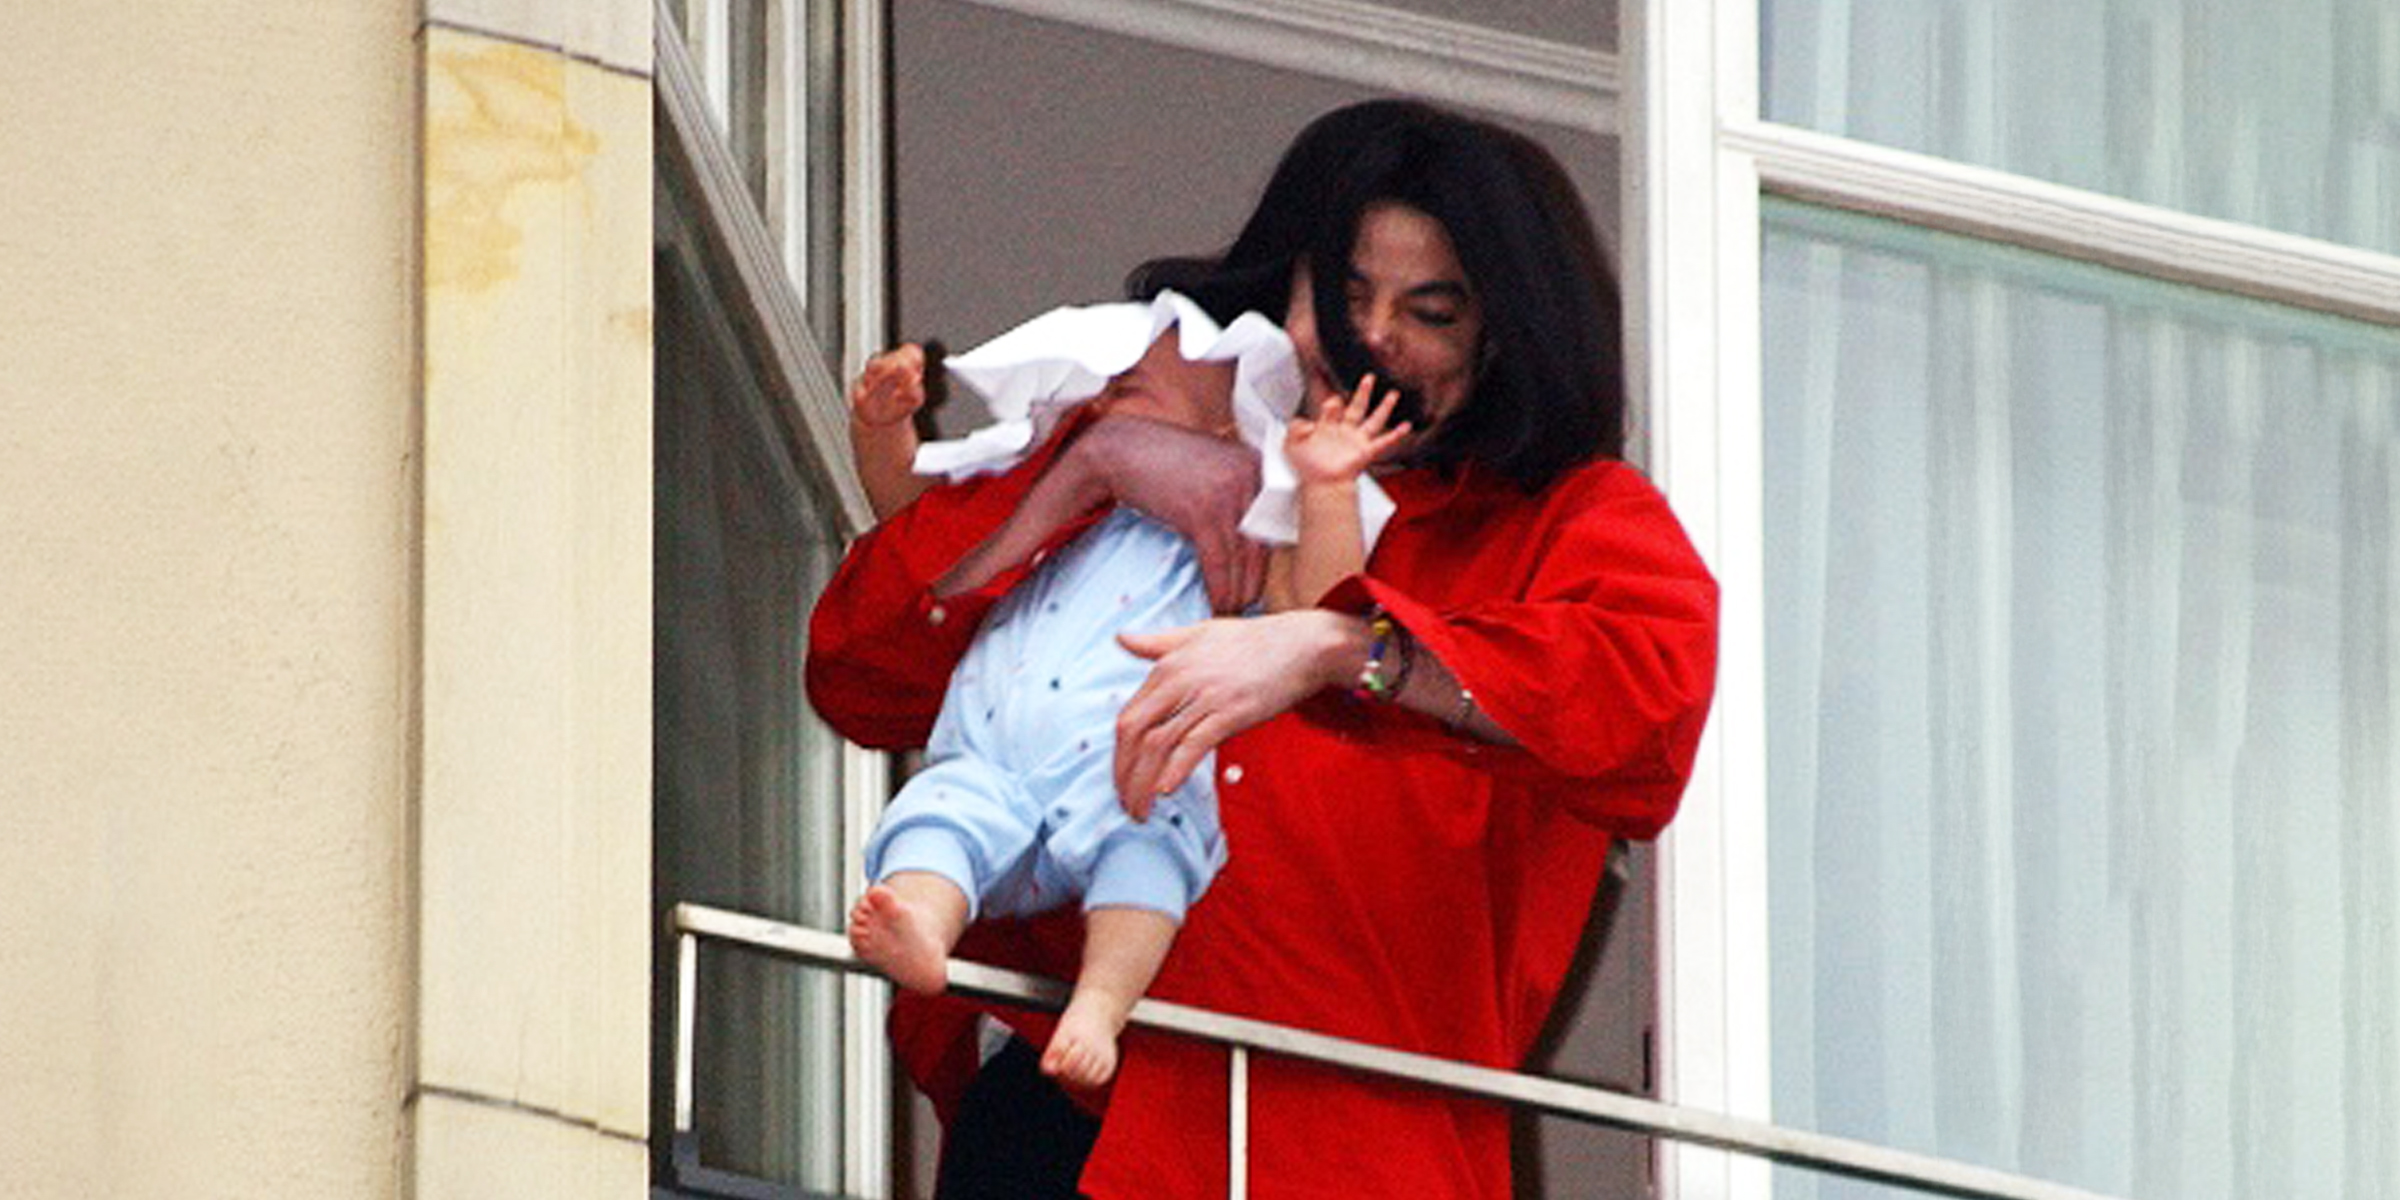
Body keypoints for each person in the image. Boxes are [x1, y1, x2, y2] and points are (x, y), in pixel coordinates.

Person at [807, 99, 1719, 1200]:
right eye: (1344, 293)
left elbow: (1642, 711)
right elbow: (861, 675)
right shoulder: (1165, 435)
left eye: (1429, 310)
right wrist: (1091, 474)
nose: (1371, 336)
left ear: (1501, 337)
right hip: (1074, 1117)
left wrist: (1339, 648)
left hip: (1334, 1155)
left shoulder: (1563, 524)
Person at [843, 294, 1408, 1089]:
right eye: (1100, 387)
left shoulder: (1247, 526)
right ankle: (923, 933)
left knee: (1155, 849)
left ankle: (1101, 1008)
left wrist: (1323, 490)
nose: (1105, 395)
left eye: (1136, 379)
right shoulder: (1056, 505)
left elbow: (1317, 610)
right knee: (937, 815)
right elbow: (915, 526)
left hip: (1133, 772)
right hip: (990, 760)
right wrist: (883, 432)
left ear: (1226, 422)